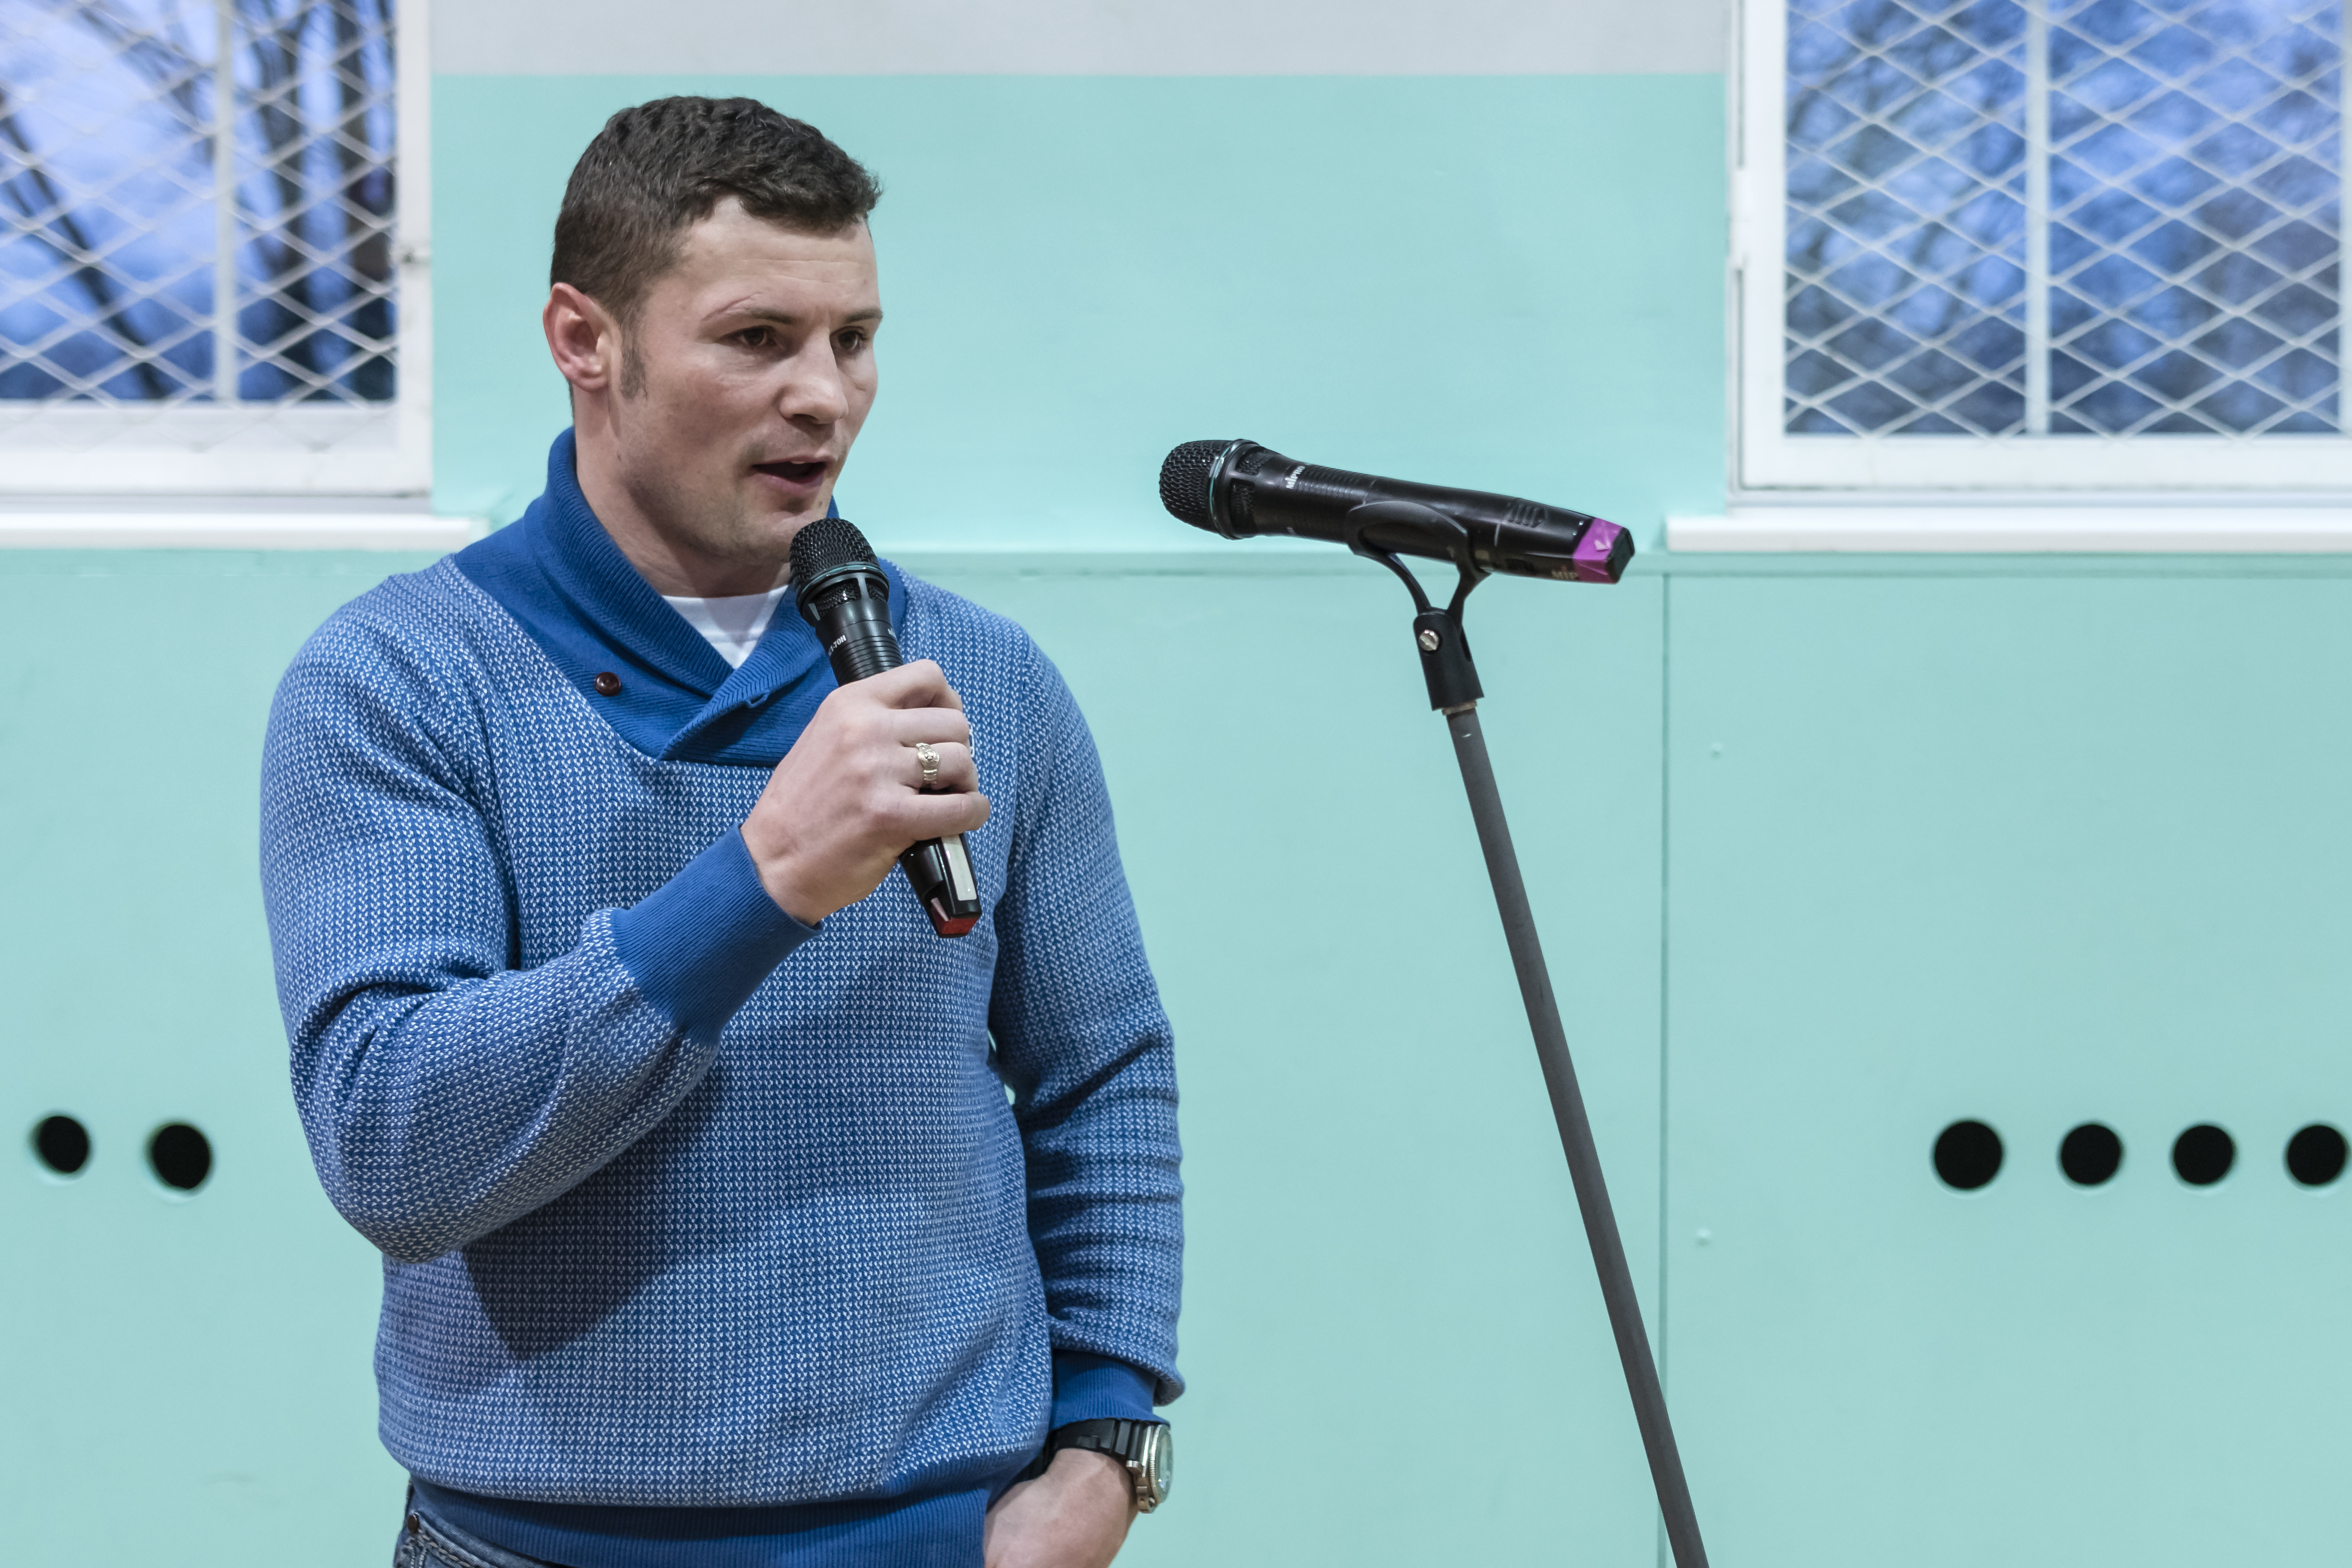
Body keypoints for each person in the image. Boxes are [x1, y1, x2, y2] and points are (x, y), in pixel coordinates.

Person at [260, 96, 1181, 1568]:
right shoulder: (402, 679)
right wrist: (762, 881)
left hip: (938, 1535)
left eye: (854, 339)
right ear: (585, 340)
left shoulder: (982, 677)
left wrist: (1109, 1447)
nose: (825, 396)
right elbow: (393, 1150)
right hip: (531, 1545)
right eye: (758, 339)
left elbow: (1103, 1078)